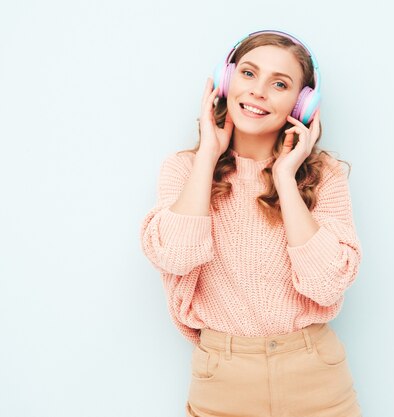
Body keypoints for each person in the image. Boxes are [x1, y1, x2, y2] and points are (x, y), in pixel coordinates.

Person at [139, 30, 363, 417]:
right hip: (223, 379)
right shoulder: (185, 169)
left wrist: (284, 180)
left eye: (279, 83)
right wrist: (209, 154)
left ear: (303, 104)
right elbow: (175, 256)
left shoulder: (324, 176)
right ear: (225, 83)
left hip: (316, 378)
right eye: (248, 74)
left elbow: (327, 284)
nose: (259, 91)